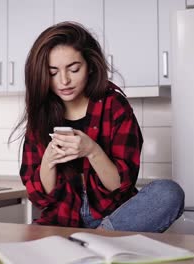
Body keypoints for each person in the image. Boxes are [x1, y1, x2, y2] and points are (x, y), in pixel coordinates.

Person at [10, 21, 184, 232]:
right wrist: (49, 158)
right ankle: (90, 242)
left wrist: (92, 150)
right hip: (62, 221)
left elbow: (119, 186)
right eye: (53, 72)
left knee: (168, 192)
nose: (64, 80)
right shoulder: (41, 112)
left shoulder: (115, 106)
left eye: (74, 69)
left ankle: (100, 236)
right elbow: (40, 197)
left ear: (90, 65)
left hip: (115, 219)